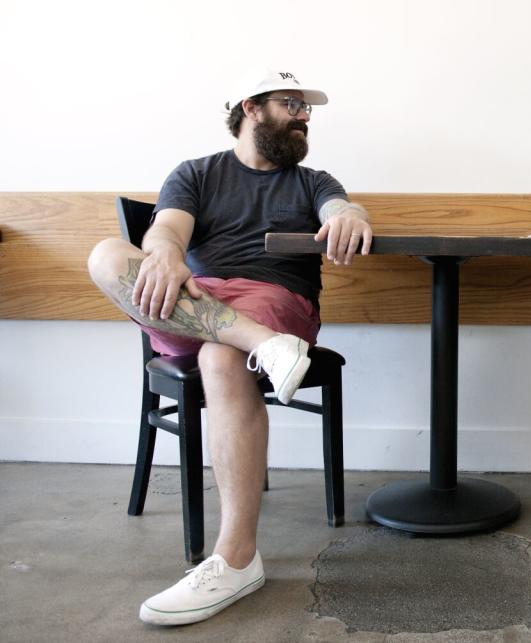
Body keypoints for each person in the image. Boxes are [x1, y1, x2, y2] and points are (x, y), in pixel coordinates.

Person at [87, 69, 373, 625]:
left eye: (308, 109)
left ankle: (237, 558)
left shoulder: (311, 179)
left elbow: (343, 209)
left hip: (278, 295)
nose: (304, 116)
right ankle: (267, 347)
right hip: (196, 299)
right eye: (292, 104)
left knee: (220, 354)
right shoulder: (196, 172)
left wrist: (348, 218)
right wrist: (165, 252)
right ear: (251, 107)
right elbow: (167, 228)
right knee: (104, 254)